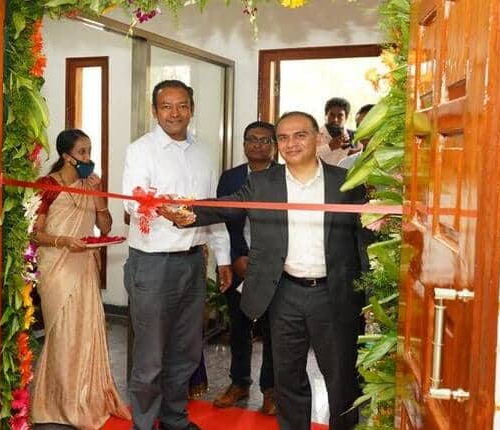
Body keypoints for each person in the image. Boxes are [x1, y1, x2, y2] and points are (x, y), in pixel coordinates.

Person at [160, 111, 367, 430]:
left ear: (318, 138)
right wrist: (186, 212)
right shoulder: (261, 183)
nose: (291, 143)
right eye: (283, 137)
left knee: (341, 381)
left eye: (300, 135)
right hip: (284, 293)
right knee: (288, 381)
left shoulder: (347, 184)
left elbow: (364, 239)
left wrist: (368, 296)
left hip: (334, 295)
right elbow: (226, 205)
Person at [122, 80, 233, 430]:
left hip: (193, 262)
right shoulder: (141, 150)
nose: (174, 113)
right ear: (155, 111)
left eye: (182, 105)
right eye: (166, 106)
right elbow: (130, 202)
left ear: (192, 109)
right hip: (152, 264)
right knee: (150, 357)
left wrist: (224, 258)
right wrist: (161, 208)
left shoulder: (204, 152)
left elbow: (212, 210)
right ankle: (143, 424)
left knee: (184, 353)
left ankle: (174, 420)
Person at [31, 129, 131, 429]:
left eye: (90, 151)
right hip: (57, 265)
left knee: (86, 331)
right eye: (83, 152)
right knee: (63, 332)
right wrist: (63, 241)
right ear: (66, 156)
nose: (88, 158)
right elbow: (35, 233)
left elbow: (105, 224)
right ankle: (59, 402)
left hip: (85, 263)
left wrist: (98, 196)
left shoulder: (90, 183)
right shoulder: (47, 186)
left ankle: (87, 396)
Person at [211, 121, 277, 415]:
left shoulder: (284, 178)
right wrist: (236, 256)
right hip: (240, 262)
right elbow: (223, 219)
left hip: (275, 266)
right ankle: (239, 383)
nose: (258, 145)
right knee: (239, 327)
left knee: (273, 330)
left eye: (265, 140)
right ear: (243, 144)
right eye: (252, 139)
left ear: (275, 145)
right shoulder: (231, 178)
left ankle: (270, 389)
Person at [316, 97, 359, 166]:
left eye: (340, 116)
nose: (335, 119)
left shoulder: (355, 137)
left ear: (346, 117)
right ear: (326, 115)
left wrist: (357, 154)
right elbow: (305, 158)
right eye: (332, 115)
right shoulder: (313, 135)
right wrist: (329, 147)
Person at [337, 103, 376, 169]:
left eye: (368, 124)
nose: (363, 130)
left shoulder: (396, 164)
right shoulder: (345, 165)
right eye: (358, 126)